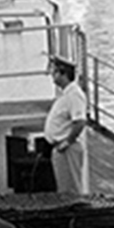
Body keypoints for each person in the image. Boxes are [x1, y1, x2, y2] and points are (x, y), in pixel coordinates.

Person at [43, 57, 87, 194]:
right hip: (60, 147)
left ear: (64, 74)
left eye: (55, 72)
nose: (52, 76)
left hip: (67, 148)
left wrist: (67, 142)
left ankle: (76, 213)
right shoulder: (66, 94)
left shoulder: (74, 95)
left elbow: (80, 122)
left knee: (71, 188)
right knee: (64, 188)